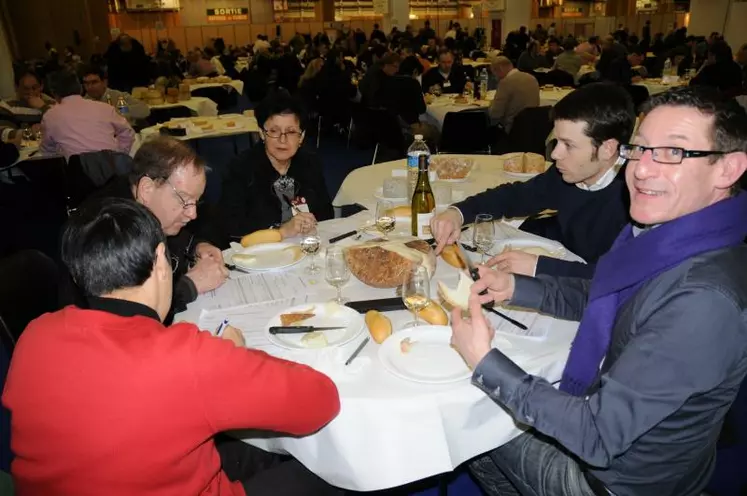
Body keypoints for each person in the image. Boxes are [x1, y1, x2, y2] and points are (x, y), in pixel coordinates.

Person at [455, 85, 747, 496]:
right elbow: (609, 298)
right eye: (641, 149)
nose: (642, 170)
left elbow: (595, 435)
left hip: (618, 482)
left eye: (673, 152)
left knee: (476, 431)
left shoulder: (704, 297)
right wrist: (517, 288)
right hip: (648, 451)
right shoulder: (672, 234)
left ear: (728, 169)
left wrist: (486, 361)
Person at [2, 198, 343, 495]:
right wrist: (236, 355)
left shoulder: (35, 334)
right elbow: (319, 402)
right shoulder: (189, 358)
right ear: (161, 259)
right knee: (331, 470)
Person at [431, 83, 634, 275]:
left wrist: (539, 266)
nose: (554, 154)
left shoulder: (636, 200)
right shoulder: (569, 174)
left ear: (608, 149)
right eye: (556, 142)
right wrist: (458, 213)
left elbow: (615, 277)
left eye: (568, 145)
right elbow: (517, 196)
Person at [86, 136, 227, 320]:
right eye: (184, 200)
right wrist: (191, 285)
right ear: (146, 189)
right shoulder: (111, 232)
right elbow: (134, 318)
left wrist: (196, 246)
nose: (193, 214)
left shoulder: (142, 208)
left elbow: (173, 234)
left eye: (195, 202)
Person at [213, 92, 333, 247]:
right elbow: (230, 228)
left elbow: (326, 214)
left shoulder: (310, 163)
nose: (283, 140)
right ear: (262, 134)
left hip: (302, 246)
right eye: (274, 131)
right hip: (258, 252)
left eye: (291, 132)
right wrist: (280, 231)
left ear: (301, 137)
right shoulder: (240, 168)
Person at [40, 70, 135, 160]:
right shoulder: (104, 108)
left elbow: (48, 152)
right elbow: (128, 132)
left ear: (54, 93)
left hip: (77, 171)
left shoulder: (51, 116)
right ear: (80, 88)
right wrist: (119, 154)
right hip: (111, 167)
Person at [488, 56, 539, 134]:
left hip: (512, 129)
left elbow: (495, 114)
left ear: (500, 68)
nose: (495, 78)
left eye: (494, 74)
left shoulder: (505, 82)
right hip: (533, 128)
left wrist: (491, 103)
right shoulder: (532, 78)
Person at [81, 65, 150, 123]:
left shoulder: (118, 96)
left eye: (94, 82)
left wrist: (119, 110)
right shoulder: (82, 102)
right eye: (86, 83)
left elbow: (145, 110)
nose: (89, 87)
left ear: (104, 82)